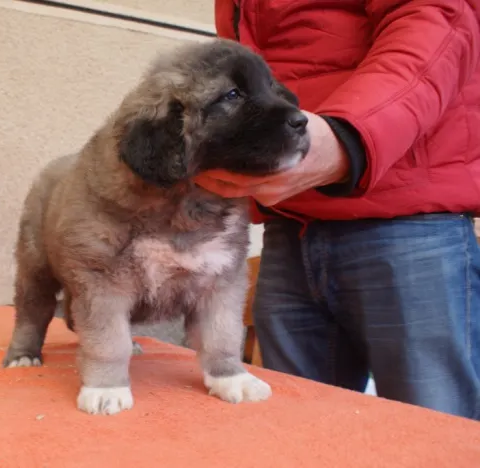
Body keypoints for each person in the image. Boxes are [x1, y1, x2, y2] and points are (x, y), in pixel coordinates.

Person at [195, 1, 480, 420]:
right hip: (290, 223)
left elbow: (435, 21)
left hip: (404, 220)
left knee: (434, 431)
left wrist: (350, 138)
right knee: (290, 429)